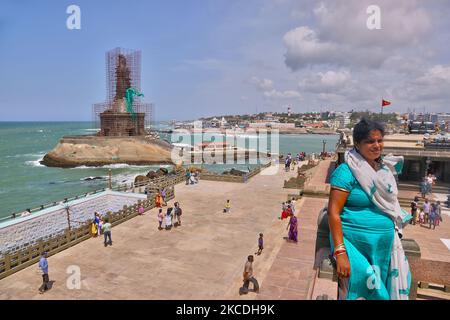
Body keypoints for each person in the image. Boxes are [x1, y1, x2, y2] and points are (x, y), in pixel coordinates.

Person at [327, 118, 411, 300]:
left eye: (380, 140)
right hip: (353, 243)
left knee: (383, 286)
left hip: (382, 245)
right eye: (370, 141)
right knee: (368, 285)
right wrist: (340, 252)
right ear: (357, 143)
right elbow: (333, 212)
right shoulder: (346, 171)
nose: (376, 145)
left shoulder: (384, 170)